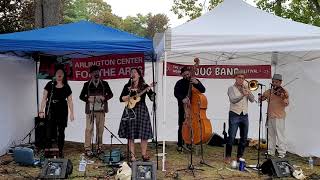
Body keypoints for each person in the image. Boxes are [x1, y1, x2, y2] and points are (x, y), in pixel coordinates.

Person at [118, 68, 155, 162]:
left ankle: (143, 154)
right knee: (131, 134)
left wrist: (150, 91)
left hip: (141, 109)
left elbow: (152, 98)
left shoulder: (144, 85)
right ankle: (133, 156)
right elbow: (121, 99)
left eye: (134, 72)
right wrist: (129, 96)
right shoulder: (127, 86)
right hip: (130, 109)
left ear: (139, 75)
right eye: (131, 72)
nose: (132, 74)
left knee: (144, 134)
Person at [39, 66, 74, 158]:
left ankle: (60, 150)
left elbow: (70, 101)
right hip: (51, 109)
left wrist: (72, 113)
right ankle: (48, 150)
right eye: (58, 72)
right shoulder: (49, 84)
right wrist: (41, 111)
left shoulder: (66, 87)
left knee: (61, 131)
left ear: (63, 75)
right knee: (49, 131)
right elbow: (44, 98)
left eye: (61, 73)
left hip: (62, 109)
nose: (59, 74)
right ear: (55, 74)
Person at [80, 65, 113, 156]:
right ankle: (87, 148)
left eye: (97, 72)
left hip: (101, 110)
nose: (96, 74)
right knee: (89, 129)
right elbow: (81, 96)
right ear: (90, 74)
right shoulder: (86, 85)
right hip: (90, 110)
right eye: (94, 72)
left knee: (100, 129)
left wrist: (104, 98)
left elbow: (111, 94)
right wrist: (88, 99)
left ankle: (99, 147)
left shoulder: (104, 84)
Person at [225, 70, 255, 162]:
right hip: (234, 114)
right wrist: (242, 95)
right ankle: (228, 156)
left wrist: (248, 91)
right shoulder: (231, 88)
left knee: (244, 137)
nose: (241, 79)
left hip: (244, 115)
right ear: (235, 78)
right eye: (239, 77)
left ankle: (239, 156)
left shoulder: (246, 87)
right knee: (232, 136)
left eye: (243, 78)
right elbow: (233, 100)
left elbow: (252, 100)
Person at [174, 66, 206, 152]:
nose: (187, 76)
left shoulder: (195, 80)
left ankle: (190, 143)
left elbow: (203, 90)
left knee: (193, 125)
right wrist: (182, 99)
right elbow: (176, 93)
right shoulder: (179, 83)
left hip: (194, 108)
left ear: (190, 73)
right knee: (182, 125)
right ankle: (180, 144)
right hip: (183, 107)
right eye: (184, 75)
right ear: (181, 75)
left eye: (188, 74)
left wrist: (197, 83)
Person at [259, 74, 289, 158]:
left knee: (280, 135)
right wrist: (261, 97)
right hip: (270, 116)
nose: (274, 83)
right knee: (270, 135)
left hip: (279, 116)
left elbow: (286, 103)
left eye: (276, 82)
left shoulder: (284, 92)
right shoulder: (269, 91)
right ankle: (270, 151)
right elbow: (262, 98)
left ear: (280, 82)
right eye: (273, 82)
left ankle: (282, 153)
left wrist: (283, 97)